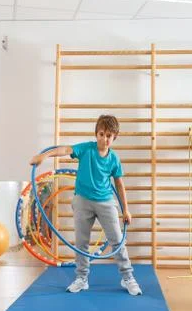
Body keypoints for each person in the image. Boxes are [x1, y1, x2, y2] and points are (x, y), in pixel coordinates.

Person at [30, 115, 142, 296]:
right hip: (82, 201)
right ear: (96, 134)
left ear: (115, 138)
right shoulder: (86, 149)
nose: (104, 139)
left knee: (117, 241)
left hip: (106, 202)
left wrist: (126, 209)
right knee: (81, 242)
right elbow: (64, 149)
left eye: (109, 136)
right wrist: (44, 156)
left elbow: (119, 184)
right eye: (101, 134)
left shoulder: (114, 159)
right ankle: (81, 278)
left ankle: (127, 277)